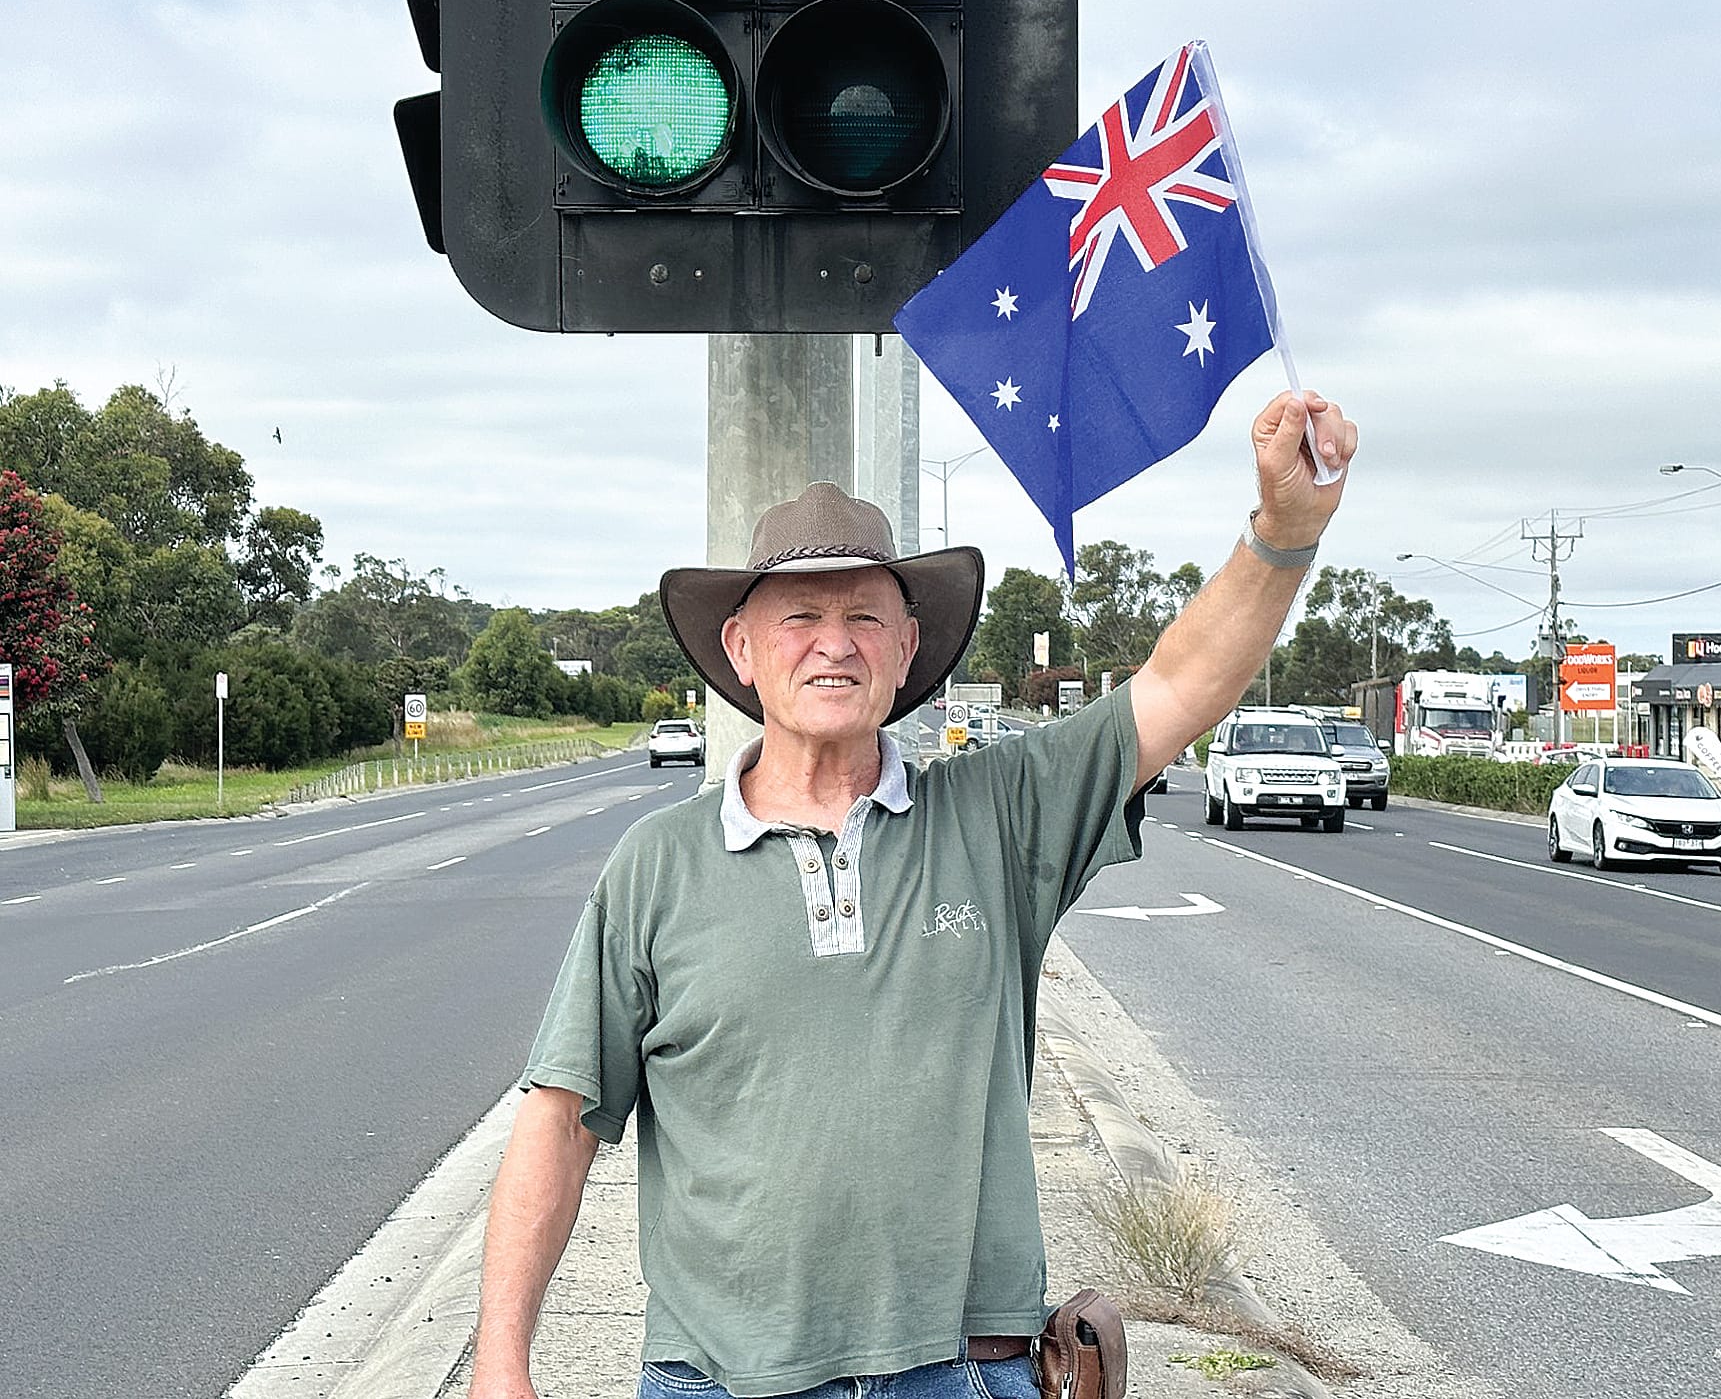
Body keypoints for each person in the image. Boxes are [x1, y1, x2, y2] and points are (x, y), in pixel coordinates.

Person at [469, 391, 1357, 1399]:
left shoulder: (998, 816)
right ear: (741, 649)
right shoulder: (655, 865)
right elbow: (558, 1119)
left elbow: (1177, 687)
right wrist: (501, 1362)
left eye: (863, 617)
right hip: (718, 1378)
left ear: (904, 651)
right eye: (799, 615)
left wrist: (1282, 534)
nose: (832, 643)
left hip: (961, 1372)